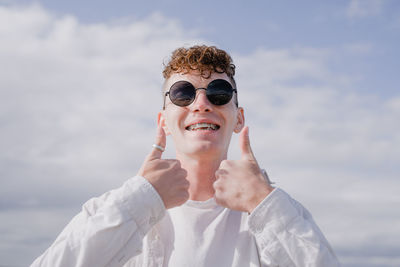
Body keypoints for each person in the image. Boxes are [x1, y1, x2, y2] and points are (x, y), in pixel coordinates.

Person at [31, 45, 341, 267]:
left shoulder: (278, 211)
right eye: (183, 93)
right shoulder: (114, 209)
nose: (202, 103)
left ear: (239, 118)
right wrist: (140, 201)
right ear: (163, 120)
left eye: (219, 92)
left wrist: (264, 205)